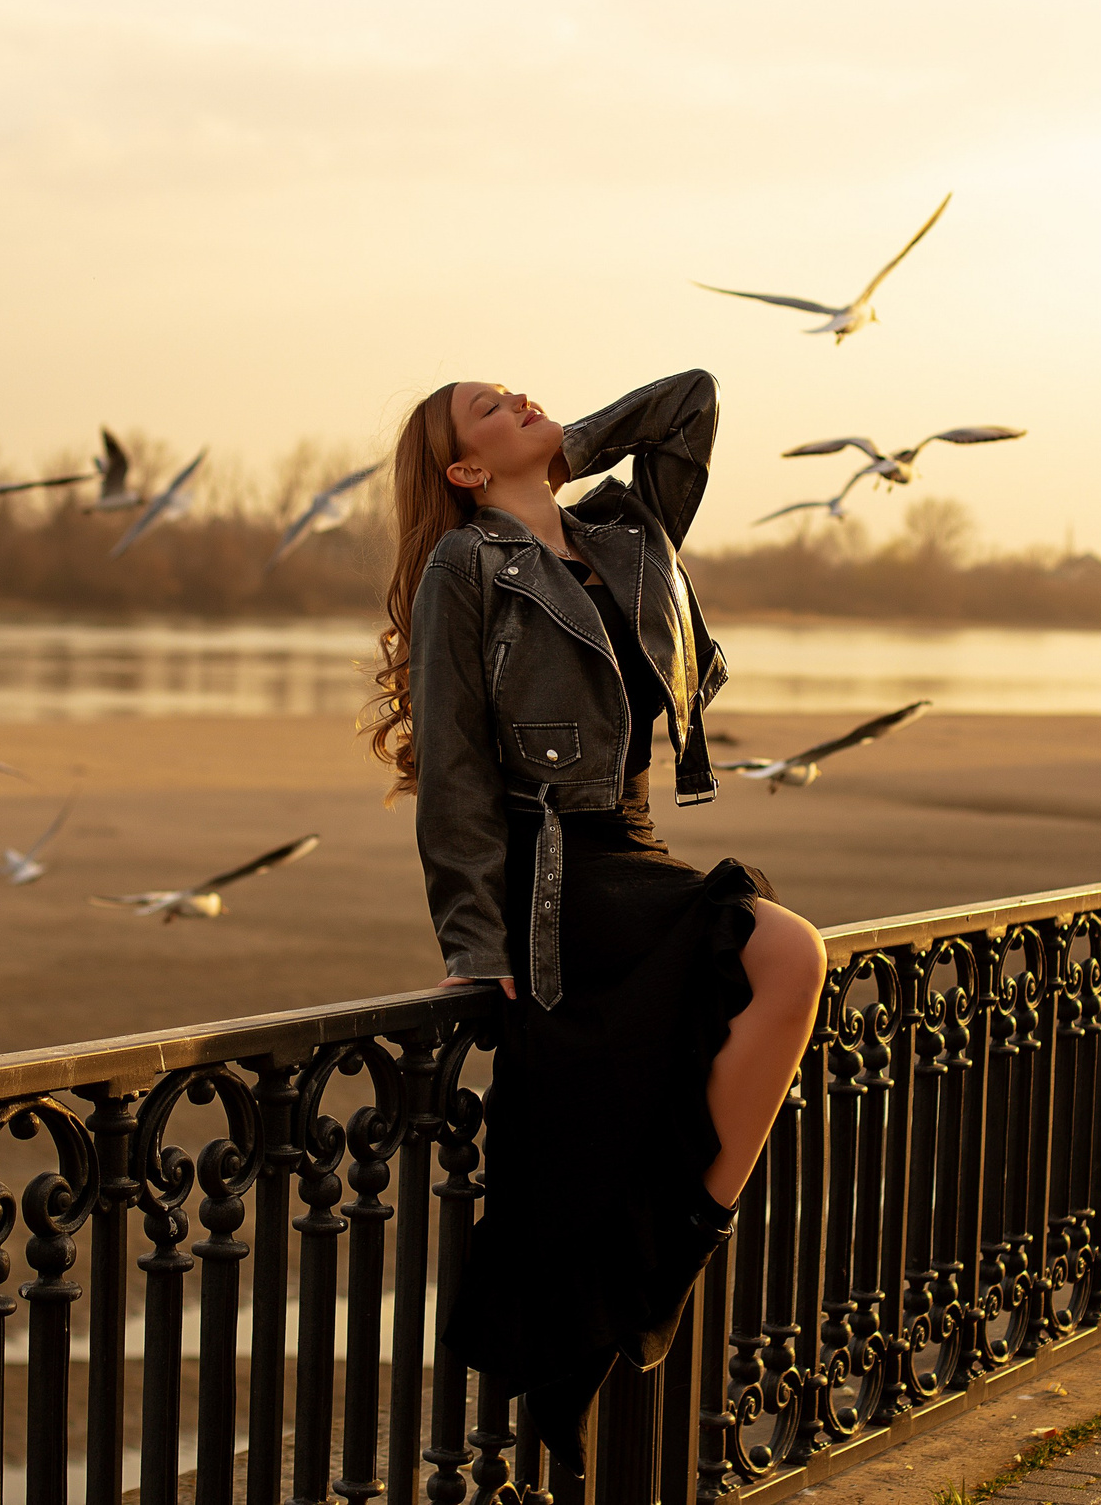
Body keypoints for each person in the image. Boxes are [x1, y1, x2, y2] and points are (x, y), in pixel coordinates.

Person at [364, 370, 829, 1474]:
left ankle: (636, 1285)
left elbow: (690, 401)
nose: (520, 399)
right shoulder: (465, 564)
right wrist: (474, 944)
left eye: (517, 389)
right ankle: (662, 1273)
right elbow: (455, 764)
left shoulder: (625, 531)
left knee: (694, 1047)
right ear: (462, 470)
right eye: (489, 409)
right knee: (786, 950)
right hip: (554, 872)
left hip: (633, 843)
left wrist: (560, 443)